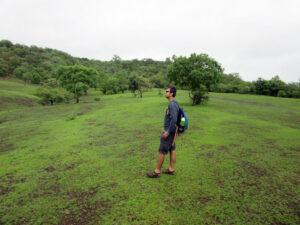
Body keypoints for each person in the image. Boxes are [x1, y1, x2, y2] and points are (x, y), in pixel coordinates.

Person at [147, 86, 179, 178]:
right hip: (173, 131)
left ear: (171, 93)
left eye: (167, 91)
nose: (165, 93)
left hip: (169, 131)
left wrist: (167, 132)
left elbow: (174, 119)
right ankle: (171, 169)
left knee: (162, 151)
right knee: (172, 149)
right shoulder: (175, 103)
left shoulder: (172, 104)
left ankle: (157, 172)